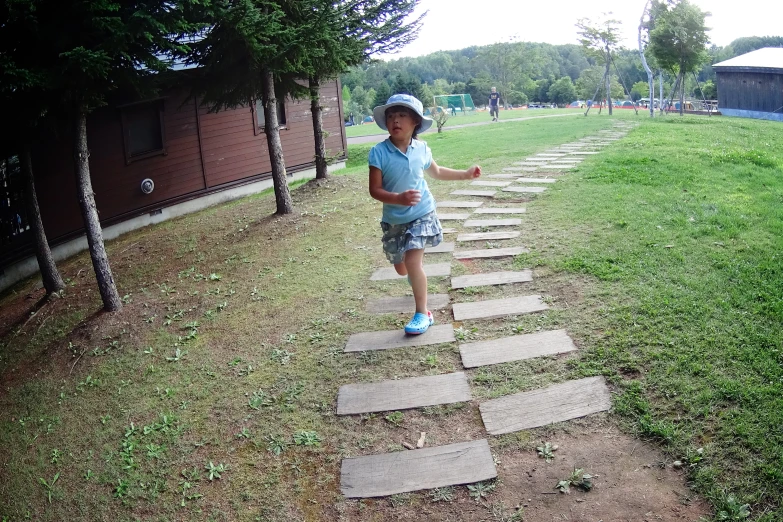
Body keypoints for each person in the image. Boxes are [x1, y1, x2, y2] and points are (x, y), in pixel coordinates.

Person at [368, 94, 482, 335]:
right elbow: (375, 190)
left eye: (401, 115)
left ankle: (423, 313)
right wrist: (397, 199)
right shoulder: (378, 152)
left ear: (415, 123)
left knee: (413, 262)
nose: (395, 120)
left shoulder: (421, 149)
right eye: (390, 116)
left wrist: (465, 174)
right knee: (402, 268)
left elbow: (437, 172)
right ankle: (414, 278)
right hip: (394, 220)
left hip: (422, 213)